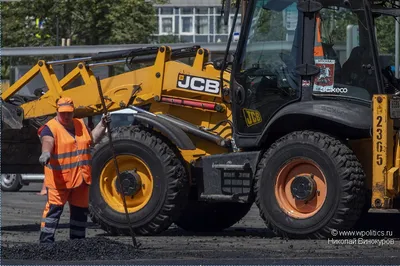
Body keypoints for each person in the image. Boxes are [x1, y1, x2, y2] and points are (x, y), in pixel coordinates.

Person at [37, 97, 110, 243]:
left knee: (80, 212)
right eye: (62, 113)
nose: (66, 116)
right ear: (57, 111)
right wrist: (46, 153)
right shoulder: (50, 128)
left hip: (81, 178)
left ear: (73, 111)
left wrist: (102, 125)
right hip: (60, 180)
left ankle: (77, 243)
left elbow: (92, 139)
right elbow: (47, 141)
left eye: (69, 113)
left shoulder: (80, 124)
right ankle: (46, 243)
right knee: (53, 211)